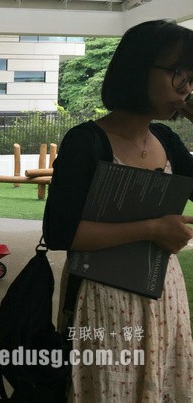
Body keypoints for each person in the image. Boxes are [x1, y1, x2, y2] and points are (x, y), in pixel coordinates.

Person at [43, 20, 193, 402]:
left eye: (191, 79)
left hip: (164, 295)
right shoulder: (86, 142)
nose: (187, 89)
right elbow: (61, 233)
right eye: (179, 75)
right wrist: (154, 228)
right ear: (139, 68)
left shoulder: (166, 140)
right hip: (103, 300)